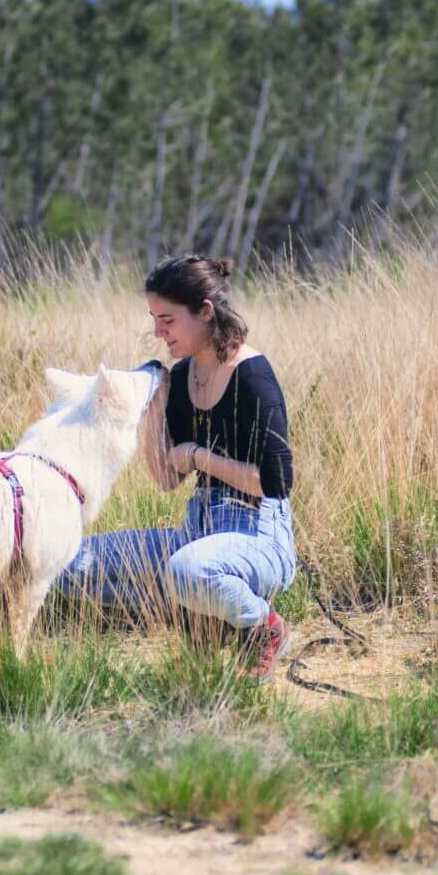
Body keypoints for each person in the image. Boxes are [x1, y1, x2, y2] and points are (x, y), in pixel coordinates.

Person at [58, 254, 297, 682]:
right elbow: (168, 479)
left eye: (167, 319)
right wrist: (155, 417)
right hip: (197, 531)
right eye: (154, 319)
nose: (157, 332)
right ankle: (198, 611)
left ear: (205, 312)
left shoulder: (253, 377)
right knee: (65, 564)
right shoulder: (183, 375)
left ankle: (262, 625)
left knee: (187, 571)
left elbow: (274, 483)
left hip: (258, 536)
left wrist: (199, 457)